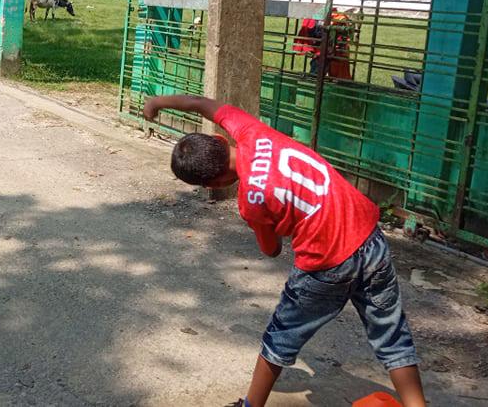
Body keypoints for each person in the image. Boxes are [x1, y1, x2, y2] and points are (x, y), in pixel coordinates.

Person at [142, 95, 426, 407]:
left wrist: (274, 224)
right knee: (391, 334)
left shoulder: (250, 200)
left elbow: (272, 249)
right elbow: (200, 103)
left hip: (325, 262)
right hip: (369, 236)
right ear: (220, 137)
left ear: (214, 184)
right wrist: (157, 102)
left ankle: (251, 405)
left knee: (280, 337)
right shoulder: (252, 131)